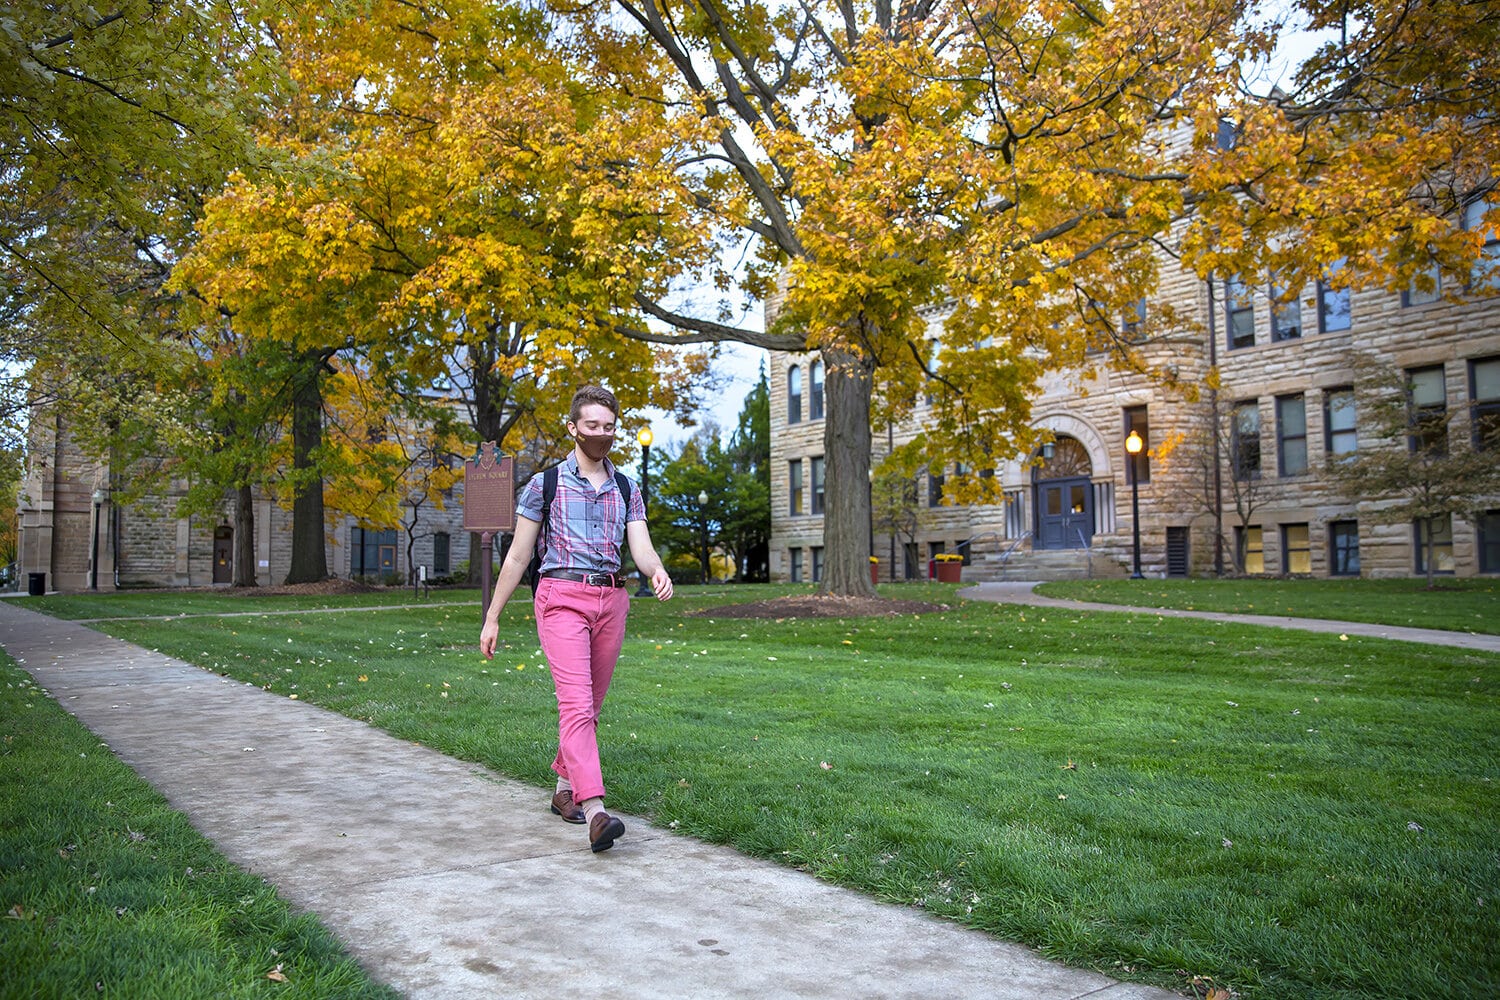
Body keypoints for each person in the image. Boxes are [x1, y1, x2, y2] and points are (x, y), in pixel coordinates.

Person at [480, 385, 673, 854]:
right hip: (560, 597)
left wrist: (656, 568)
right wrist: (493, 617)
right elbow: (518, 556)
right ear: (573, 428)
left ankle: (564, 787)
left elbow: (640, 546)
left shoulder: (627, 487)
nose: (601, 434)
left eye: (608, 427)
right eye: (592, 426)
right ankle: (594, 810)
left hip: (611, 599)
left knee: (592, 705)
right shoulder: (545, 485)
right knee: (577, 706)